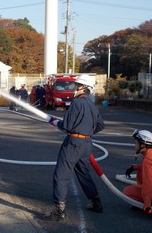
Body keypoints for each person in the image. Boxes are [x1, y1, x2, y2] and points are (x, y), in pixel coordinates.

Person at [46, 74, 105, 221]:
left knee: (61, 175)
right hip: (86, 144)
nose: (74, 87)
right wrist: (87, 132)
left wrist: (54, 122)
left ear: (82, 87)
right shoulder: (91, 104)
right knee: (84, 173)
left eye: (76, 85)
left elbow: (67, 126)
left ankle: (59, 210)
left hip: (73, 144)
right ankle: (96, 202)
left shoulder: (77, 103)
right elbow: (101, 125)